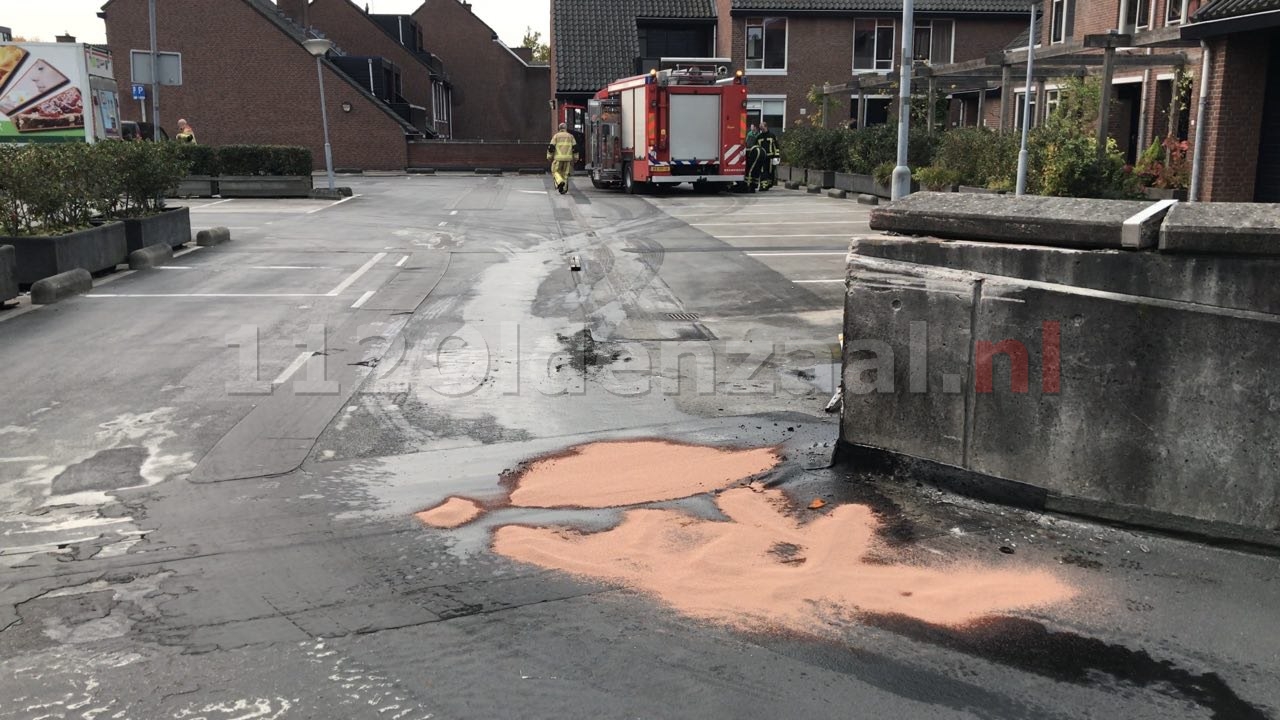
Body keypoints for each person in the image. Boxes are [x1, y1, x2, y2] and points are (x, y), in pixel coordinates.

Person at [547, 122, 577, 194]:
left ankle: (560, 182)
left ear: (559, 129)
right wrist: (576, 158)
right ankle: (563, 189)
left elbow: (551, 148)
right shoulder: (571, 136)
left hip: (558, 158)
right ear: (566, 128)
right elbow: (575, 148)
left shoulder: (556, 136)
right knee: (565, 174)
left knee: (555, 171)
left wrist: (549, 157)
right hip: (568, 159)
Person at [756, 122, 780, 191]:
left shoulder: (772, 136)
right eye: (760, 128)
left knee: (771, 171)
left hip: (771, 157)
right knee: (763, 172)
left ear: (766, 127)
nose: (761, 129)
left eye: (762, 127)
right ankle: (763, 186)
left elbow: (776, 146)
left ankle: (769, 184)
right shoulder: (759, 137)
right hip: (762, 158)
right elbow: (756, 147)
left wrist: (777, 156)